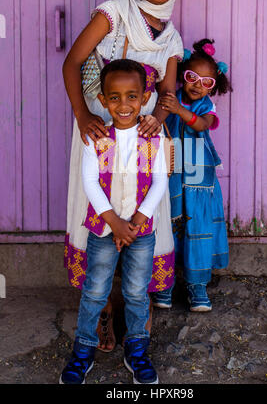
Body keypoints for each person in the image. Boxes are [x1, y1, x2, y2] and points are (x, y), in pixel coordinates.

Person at [63, 0, 184, 351]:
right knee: (98, 211)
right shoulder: (113, 15)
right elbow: (73, 62)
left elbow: (167, 95)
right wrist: (83, 117)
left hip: (145, 140)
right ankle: (100, 315)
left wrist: (160, 118)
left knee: (145, 212)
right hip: (100, 134)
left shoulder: (172, 37)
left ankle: (137, 313)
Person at [60, 59, 168, 384]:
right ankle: (83, 351)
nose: (124, 104)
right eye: (115, 97)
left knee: (137, 291)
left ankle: (136, 349)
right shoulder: (97, 138)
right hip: (104, 229)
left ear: (144, 98)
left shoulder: (153, 137)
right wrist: (115, 223)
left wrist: (135, 220)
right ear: (104, 101)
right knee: (95, 290)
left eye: (132, 96)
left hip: (140, 231)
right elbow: (90, 182)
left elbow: (160, 181)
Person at [152, 39, 232, 312]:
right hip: (172, 175)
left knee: (196, 227)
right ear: (182, 74)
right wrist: (171, 106)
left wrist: (178, 110)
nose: (198, 85)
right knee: (169, 226)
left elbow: (200, 125)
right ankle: (165, 283)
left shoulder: (205, 107)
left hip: (198, 181)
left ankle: (197, 286)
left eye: (206, 82)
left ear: (214, 86)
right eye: (191, 77)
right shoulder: (169, 97)